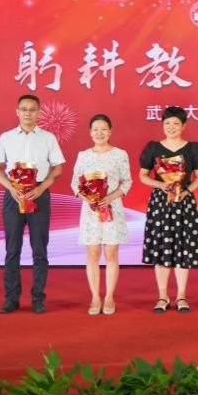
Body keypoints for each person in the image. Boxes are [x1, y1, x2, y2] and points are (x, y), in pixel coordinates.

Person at [0, 94, 65, 314]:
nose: (28, 113)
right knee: (12, 249)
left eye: (32, 109)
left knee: (39, 249)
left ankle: (38, 298)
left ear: (39, 112)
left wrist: (41, 188)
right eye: (24, 109)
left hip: (39, 193)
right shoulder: (6, 138)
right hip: (13, 194)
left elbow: (58, 167)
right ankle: (11, 298)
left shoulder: (48, 138)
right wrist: (10, 187)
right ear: (17, 112)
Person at [138, 106, 198, 314]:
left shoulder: (193, 148)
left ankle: (182, 296)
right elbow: (142, 175)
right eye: (167, 123)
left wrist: (186, 191)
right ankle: (162, 296)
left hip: (184, 203)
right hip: (161, 204)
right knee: (162, 247)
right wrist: (161, 185)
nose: (171, 127)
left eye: (176, 123)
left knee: (183, 249)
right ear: (162, 125)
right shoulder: (153, 148)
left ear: (183, 126)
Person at [70, 114, 132, 316]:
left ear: (110, 131)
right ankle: (95, 297)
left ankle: (109, 297)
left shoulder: (120, 154)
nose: (100, 133)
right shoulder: (83, 155)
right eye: (95, 129)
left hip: (112, 209)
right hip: (90, 212)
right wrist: (88, 198)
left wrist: (110, 197)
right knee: (93, 254)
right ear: (90, 132)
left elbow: (127, 181)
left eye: (104, 129)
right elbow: (75, 183)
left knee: (111, 254)